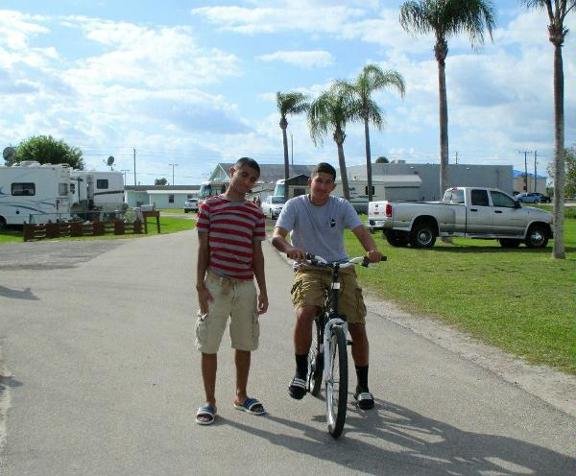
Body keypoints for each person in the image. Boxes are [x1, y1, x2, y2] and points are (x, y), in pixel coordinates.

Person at [271, 162, 382, 410]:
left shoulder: (341, 206)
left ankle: (363, 386)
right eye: (318, 180)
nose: (322, 186)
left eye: (328, 182)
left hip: (340, 268)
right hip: (309, 267)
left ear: (333, 186)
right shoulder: (295, 205)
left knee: (357, 324)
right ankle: (301, 373)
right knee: (305, 312)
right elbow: (277, 236)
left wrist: (372, 250)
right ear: (310, 182)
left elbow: (361, 231)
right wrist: (290, 249)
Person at [195, 157, 269, 425]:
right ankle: (209, 402)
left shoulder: (255, 213)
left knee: (244, 343)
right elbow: (203, 247)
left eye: (253, 179)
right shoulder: (209, 207)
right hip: (216, 284)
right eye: (244, 174)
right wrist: (200, 285)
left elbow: (257, 254)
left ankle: (241, 395)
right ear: (232, 172)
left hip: (245, 286)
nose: (247, 181)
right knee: (209, 344)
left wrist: (263, 290)